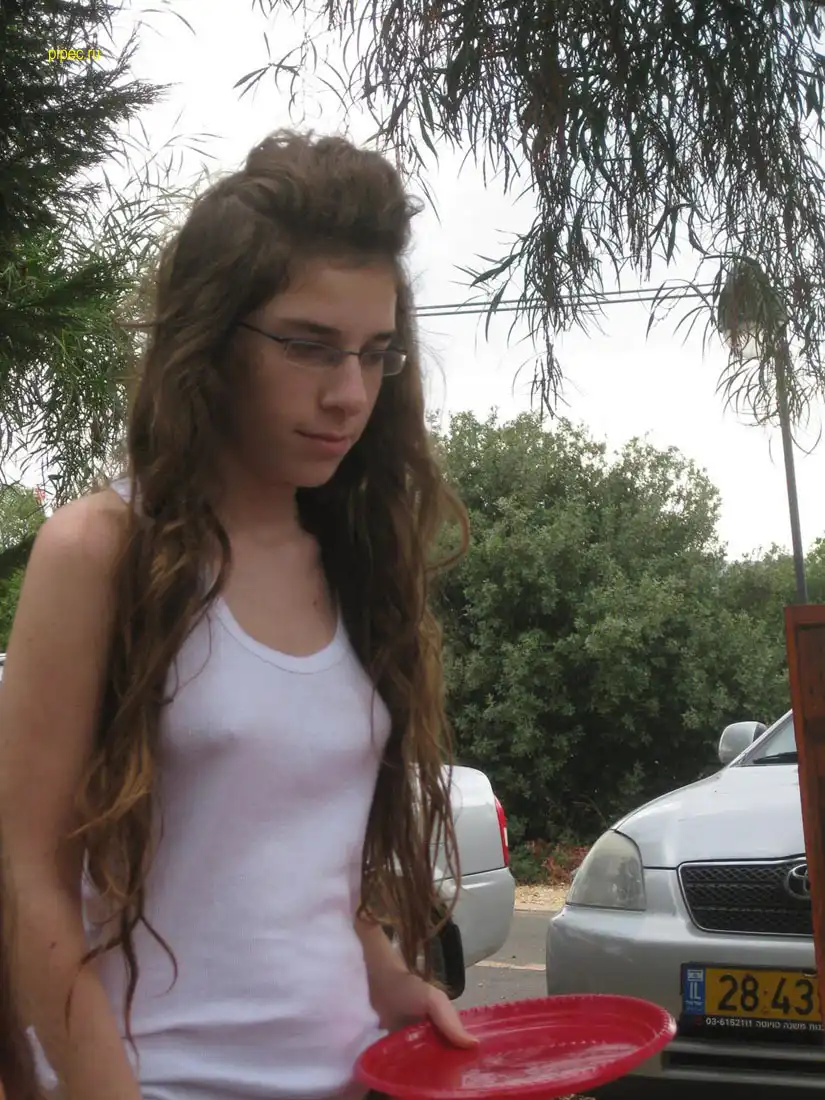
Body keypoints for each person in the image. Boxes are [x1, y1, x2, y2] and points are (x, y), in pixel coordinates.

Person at [0, 129, 477, 1100]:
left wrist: (388, 975)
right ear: (211, 337)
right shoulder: (102, 551)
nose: (348, 394)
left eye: (375, 354)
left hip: (355, 1076)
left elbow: (294, 863)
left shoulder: (353, 560)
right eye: (308, 346)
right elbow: (26, 874)